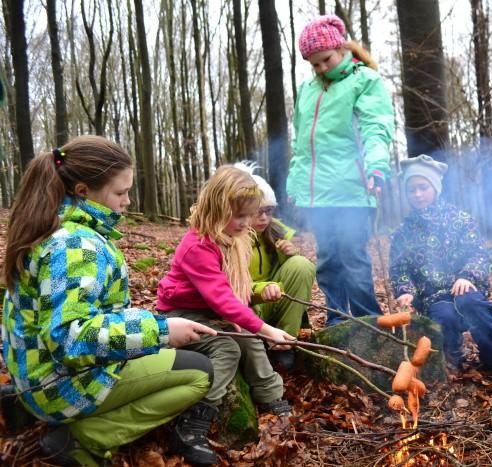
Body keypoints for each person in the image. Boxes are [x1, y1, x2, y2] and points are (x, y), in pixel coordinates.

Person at [1, 135, 219, 466]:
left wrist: (150, 328)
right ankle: (83, 440)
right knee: (199, 372)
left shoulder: (53, 229)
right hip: (60, 387)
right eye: (120, 192)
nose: (128, 201)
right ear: (83, 191)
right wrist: (159, 332)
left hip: (36, 379)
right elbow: (71, 337)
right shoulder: (76, 246)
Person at [156, 166, 296, 451]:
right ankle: (194, 421)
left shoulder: (232, 239)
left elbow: (234, 294)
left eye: (251, 215)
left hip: (210, 312)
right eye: (240, 216)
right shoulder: (198, 245)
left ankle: (269, 393)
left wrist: (249, 325)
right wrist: (267, 328)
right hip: (181, 315)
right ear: (217, 208)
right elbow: (220, 297)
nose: (247, 223)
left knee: (250, 336)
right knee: (227, 349)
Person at [286, 14, 394, 326]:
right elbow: (302, 145)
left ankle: (368, 321)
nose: (321, 69)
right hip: (318, 192)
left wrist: (376, 167)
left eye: (326, 60)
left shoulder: (365, 81)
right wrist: (295, 185)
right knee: (328, 260)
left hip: (352, 189)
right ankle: (337, 320)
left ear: (341, 50)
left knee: (352, 257)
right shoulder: (308, 89)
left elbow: (377, 128)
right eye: (314, 64)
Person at [389, 155, 492, 381]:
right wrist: (405, 291)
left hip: (464, 288)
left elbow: (479, 254)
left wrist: (467, 276)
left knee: (472, 304)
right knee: (444, 316)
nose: (418, 194)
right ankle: (452, 358)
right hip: (432, 296)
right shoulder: (403, 232)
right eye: (412, 190)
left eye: (423, 187)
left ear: (436, 187)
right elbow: (398, 268)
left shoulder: (459, 220)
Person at [234, 163, 316, 370]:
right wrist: (262, 290)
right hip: (244, 305)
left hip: (272, 300)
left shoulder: (275, 231)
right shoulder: (231, 237)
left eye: (268, 211)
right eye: (257, 212)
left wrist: (288, 255)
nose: (263, 218)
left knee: (301, 264)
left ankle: (284, 342)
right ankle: (256, 348)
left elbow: (295, 274)